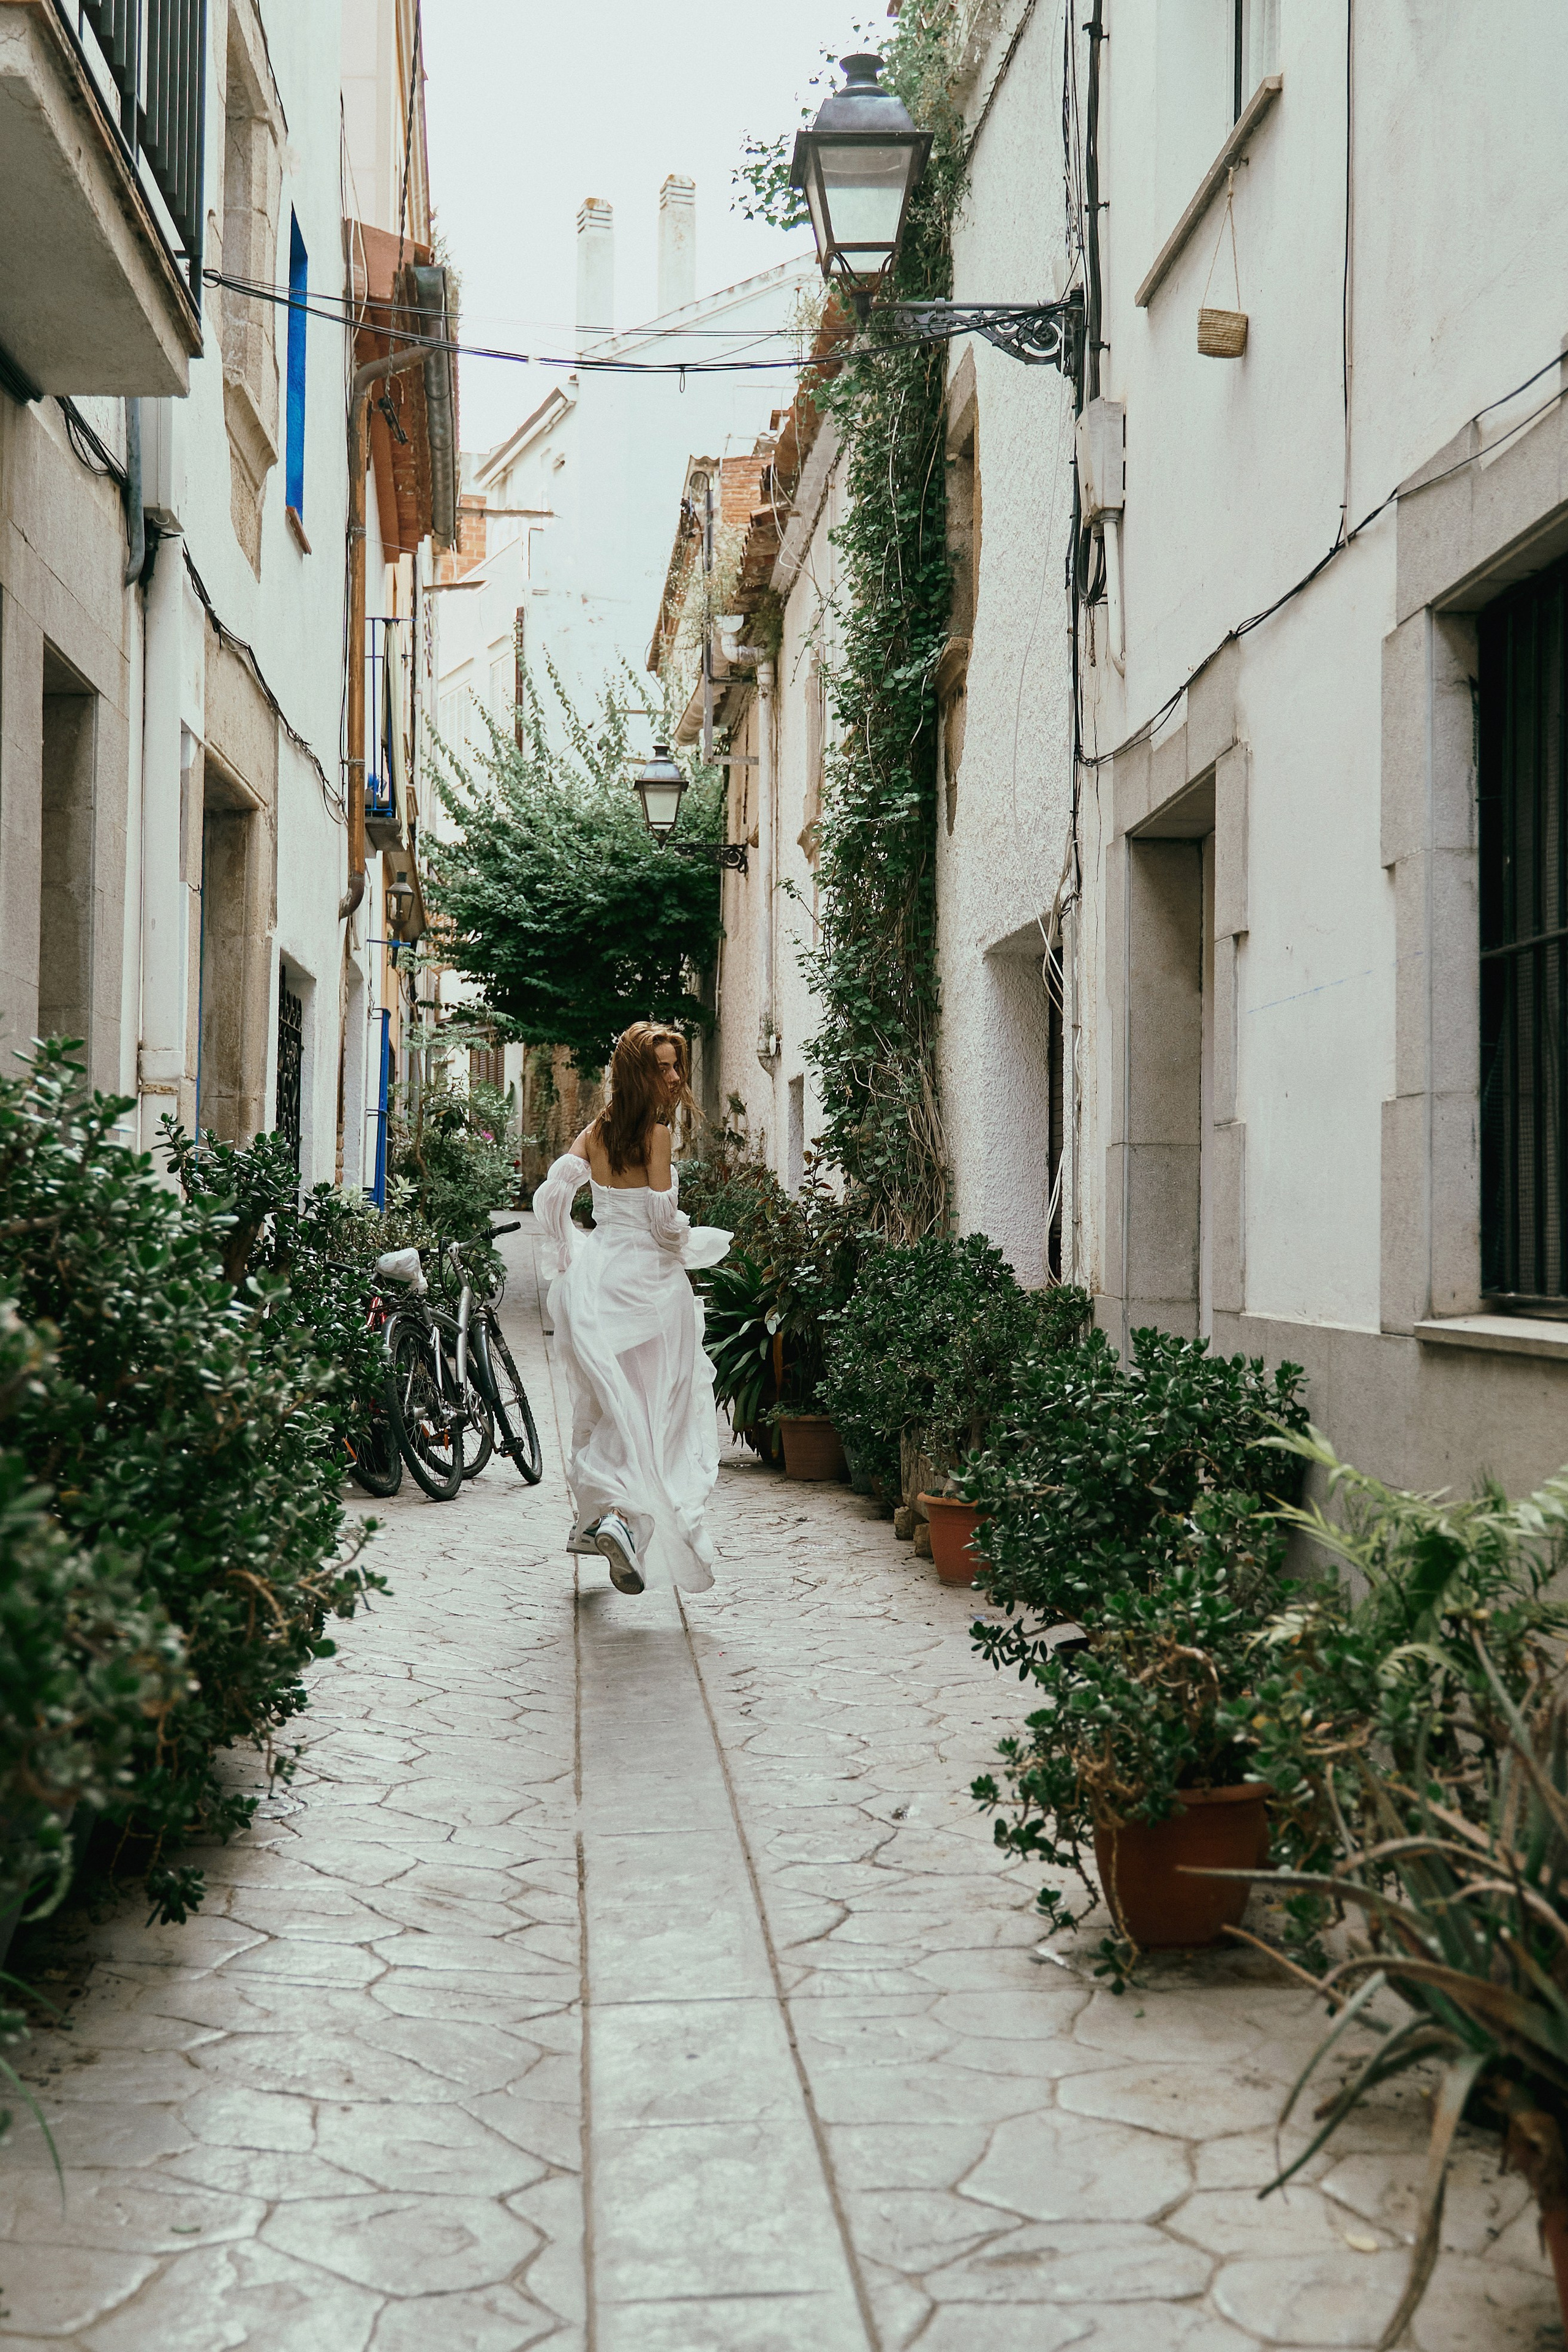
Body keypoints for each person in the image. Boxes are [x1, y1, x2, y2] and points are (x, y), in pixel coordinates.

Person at [531, 1022, 731, 1596]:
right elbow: (664, 1225)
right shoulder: (657, 1135)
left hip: (599, 1281)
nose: (674, 1077)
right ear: (637, 1074)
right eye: (663, 1067)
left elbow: (552, 1196)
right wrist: (692, 1242)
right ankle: (620, 1520)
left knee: (613, 1403)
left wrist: (572, 1255)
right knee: (655, 1410)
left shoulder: (596, 1132)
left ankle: (599, 1522)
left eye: (676, 1066)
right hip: (649, 1287)